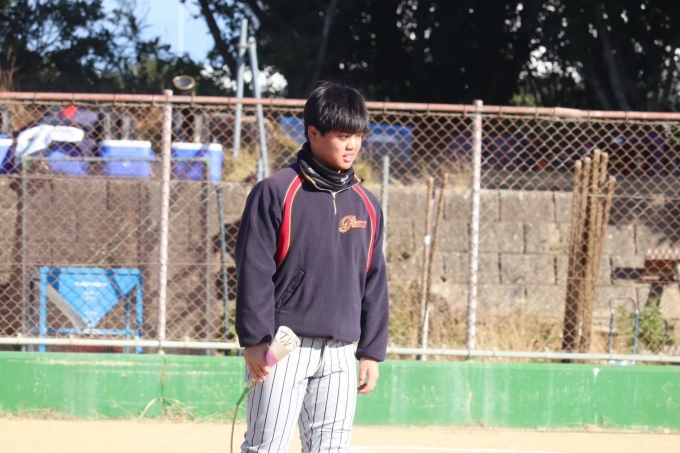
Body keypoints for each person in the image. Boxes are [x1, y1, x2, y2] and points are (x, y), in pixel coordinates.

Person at [234, 81, 389, 453]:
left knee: (331, 448)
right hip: (282, 346)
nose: (352, 146)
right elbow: (254, 269)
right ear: (314, 133)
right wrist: (255, 339)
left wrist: (371, 351)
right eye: (342, 136)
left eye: (358, 136)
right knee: (266, 446)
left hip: (341, 352)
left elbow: (374, 279)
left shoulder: (367, 204)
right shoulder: (276, 191)